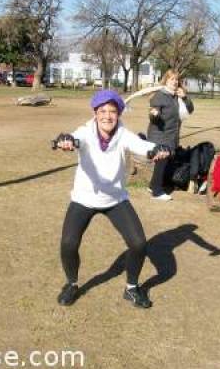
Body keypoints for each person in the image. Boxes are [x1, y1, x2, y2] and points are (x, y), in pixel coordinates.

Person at [54, 90, 170, 308]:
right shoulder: (86, 132)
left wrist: (155, 148)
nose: (107, 116)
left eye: (112, 111)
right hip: (84, 198)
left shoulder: (123, 134)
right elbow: (74, 138)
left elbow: (140, 145)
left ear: (119, 113)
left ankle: (132, 289)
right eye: (102, 111)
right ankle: (71, 284)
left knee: (138, 243)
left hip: (115, 199)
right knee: (68, 244)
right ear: (95, 113)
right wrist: (66, 140)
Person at [147, 70, 194, 200]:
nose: (175, 82)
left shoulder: (177, 96)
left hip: (172, 134)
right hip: (159, 134)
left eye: (176, 79)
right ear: (166, 80)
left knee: (165, 161)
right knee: (162, 160)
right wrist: (154, 114)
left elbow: (190, 110)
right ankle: (156, 192)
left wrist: (184, 97)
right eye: (172, 79)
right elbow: (153, 117)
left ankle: (152, 185)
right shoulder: (159, 96)